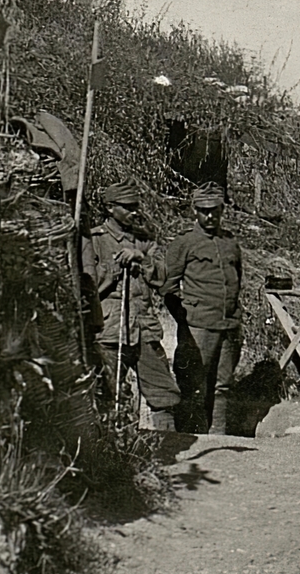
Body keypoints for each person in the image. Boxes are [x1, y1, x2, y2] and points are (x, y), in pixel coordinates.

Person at [81, 182, 182, 431]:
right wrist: (115, 270)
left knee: (163, 394)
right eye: (127, 207)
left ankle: (167, 446)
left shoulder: (145, 241)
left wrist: (141, 258)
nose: (134, 212)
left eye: (136, 206)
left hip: (144, 330)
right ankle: (119, 449)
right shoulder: (93, 241)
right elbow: (87, 288)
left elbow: (163, 278)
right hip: (109, 330)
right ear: (110, 208)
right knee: (110, 395)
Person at [163, 183, 244, 434]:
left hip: (228, 324)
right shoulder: (185, 243)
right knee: (192, 385)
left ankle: (217, 436)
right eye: (204, 210)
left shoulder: (229, 242)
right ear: (194, 211)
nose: (210, 216)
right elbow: (167, 285)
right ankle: (189, 436)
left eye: (215, 210)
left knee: (222, 385)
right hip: (198, 327)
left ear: (222, 210)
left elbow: (237, 279)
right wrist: (185, 318)